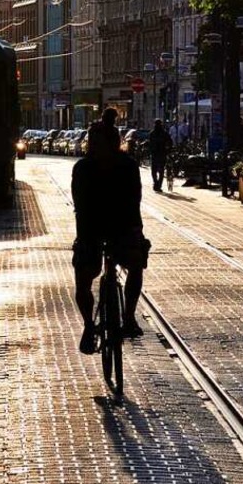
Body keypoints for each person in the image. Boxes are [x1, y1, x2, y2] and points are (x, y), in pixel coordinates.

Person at [71, 115, 148, 354]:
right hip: (104, 228)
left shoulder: (123, 166)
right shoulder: (88, 168)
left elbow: (133, 200)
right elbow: (81, 204)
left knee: (133, 263)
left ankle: (127, 315)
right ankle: (92, 324)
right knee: (86, 275)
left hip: (115, 227)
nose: (95, 148)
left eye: (98, 143)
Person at [147, 119, 172, 192]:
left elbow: (150, 143)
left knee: (154, 170)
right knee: (161, 170)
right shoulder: (164, 133)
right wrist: (168, 149)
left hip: (155, 153)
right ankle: (158, 184)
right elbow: (170, 142)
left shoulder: (152, 133)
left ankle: (156, 183)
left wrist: (150, 150)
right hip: (161, 153)